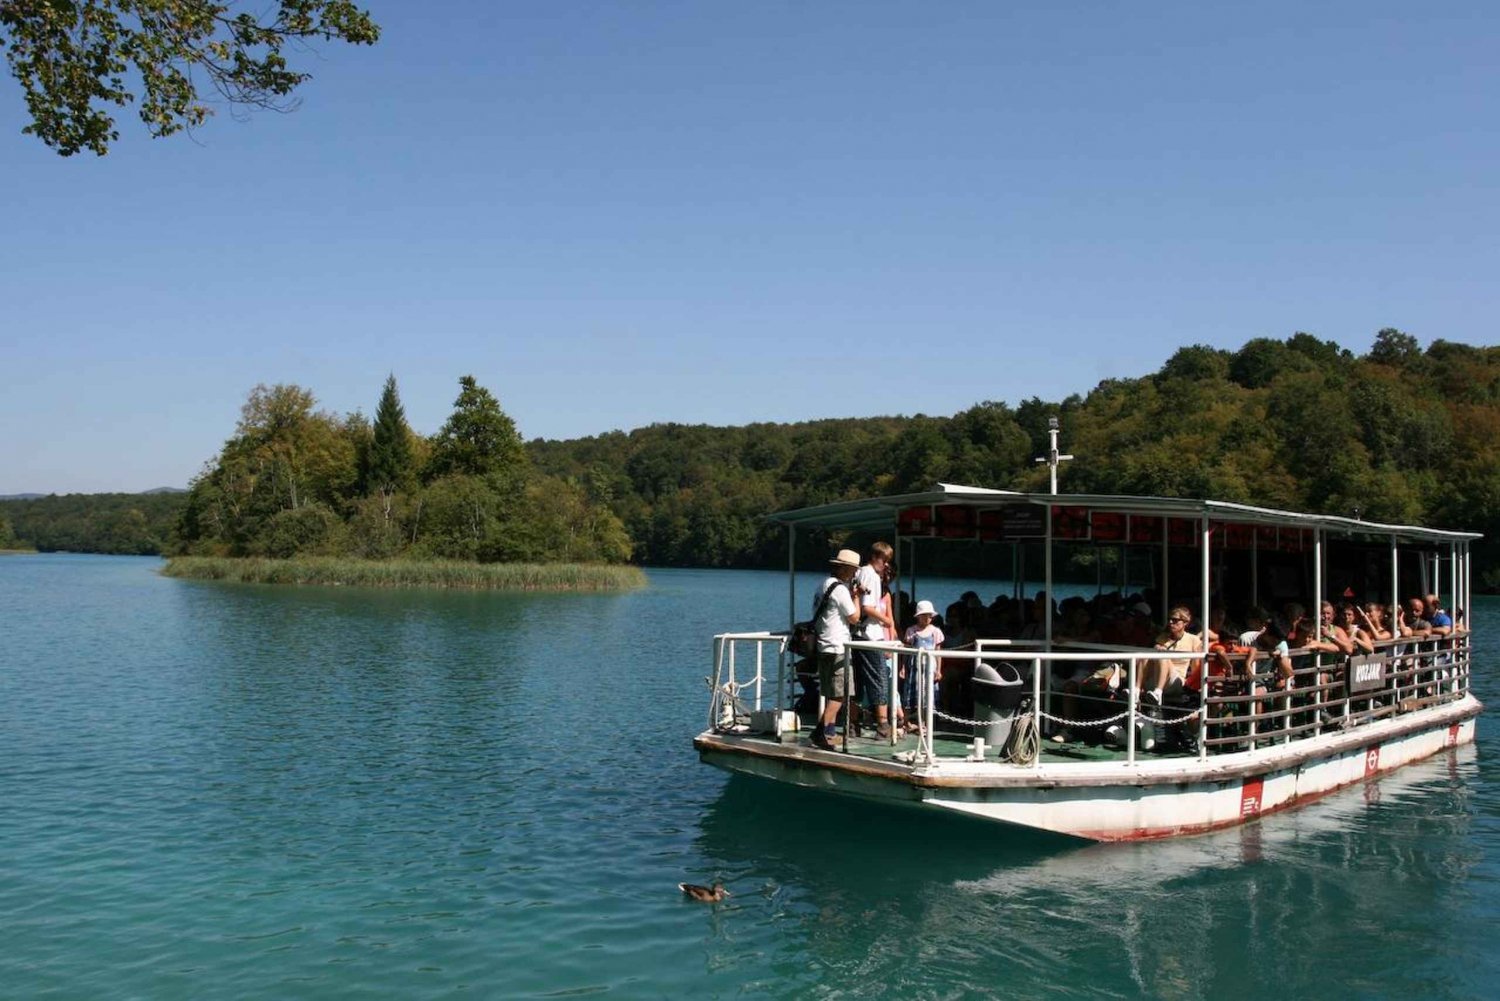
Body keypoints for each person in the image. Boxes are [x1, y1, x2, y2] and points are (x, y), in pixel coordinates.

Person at [810, 549, 863, 751]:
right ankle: (822, 732)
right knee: (840, 694)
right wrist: (857, 597)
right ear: (845, 569)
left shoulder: (823, 585)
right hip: (837, 646)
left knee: (830, 691)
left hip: (823, 644)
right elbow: (854, 617)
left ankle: (826, 731)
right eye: (852, 570)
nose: (853, 574)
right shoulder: (840, 590)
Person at [852, 542, 896, 739]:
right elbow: (868, 607)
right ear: (877, 558)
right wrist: (886, 620)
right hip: (871, 635)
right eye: (885, 561)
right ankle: (883, 724)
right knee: (879, 679)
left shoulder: (859, 572)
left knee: (856, 681)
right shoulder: (872, 576)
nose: (886, 565)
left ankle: (853, 723)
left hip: (857, 635)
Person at [1142, 605, 1203, 705]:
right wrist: (1157, 648)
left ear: (1185, 623)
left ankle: (1158, 692)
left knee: (1163, 657)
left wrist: (1193, 686)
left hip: (1176, 681)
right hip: (1156, 677)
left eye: (1175, 620)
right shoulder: (1163, 638)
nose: (1170, 622)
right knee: (1144, 657)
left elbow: (1195, 667)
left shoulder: (1193, 640)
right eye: (1169, 619)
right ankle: (1136, 689)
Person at [900, 599, 944, 730]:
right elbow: (905, 651)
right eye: (925, 615)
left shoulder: (935, 631)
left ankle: (925, 723)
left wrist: (938, 670)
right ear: (919, 616)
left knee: (927, 695)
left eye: (930, 615)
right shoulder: (911, 631)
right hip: (914, 667)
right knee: (909, 694)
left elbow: (938, 652)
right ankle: (906, 722)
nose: (928, 618)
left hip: (929, 668)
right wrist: (903, 667)